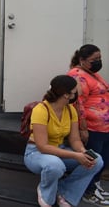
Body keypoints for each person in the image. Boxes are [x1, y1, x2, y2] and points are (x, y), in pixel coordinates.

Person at [24, 75, 103, 207]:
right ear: (67, 95)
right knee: (56, 165)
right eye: (75, 91)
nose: (78, 93)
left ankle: (65, 192)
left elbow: (75, 139)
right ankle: (45, 193)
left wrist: (83, 152)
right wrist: (75, 155)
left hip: (59, 150)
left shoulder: (70, 110)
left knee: (96, 160)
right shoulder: (41, 110)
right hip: (36, 153)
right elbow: (43, 147)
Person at [67, 44, 109, 205]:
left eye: (99, 58)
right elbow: (78, 104)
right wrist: (83, 129)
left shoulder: (91, 73)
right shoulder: (78, 76)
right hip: (92, 127)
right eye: (94, 59)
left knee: (104, 158)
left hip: (103, 127)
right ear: (82, 60)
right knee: (93, 161)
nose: (98, 62)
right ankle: (88, 191)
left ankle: (95, 186)